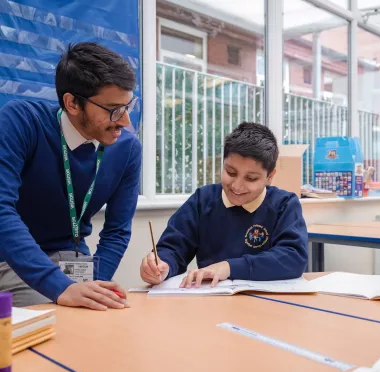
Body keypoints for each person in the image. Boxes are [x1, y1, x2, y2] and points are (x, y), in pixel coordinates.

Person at [0, 42, 142, 309]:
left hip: (73, 258)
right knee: (56, 325)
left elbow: (117, 231)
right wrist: (60, 287)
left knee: (107, 319)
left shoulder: (128, 148)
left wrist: (93, 289)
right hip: (11, 257)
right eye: (113, 109)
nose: (125, 122)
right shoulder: (22, 122)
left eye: (128, 106)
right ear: (73, 103)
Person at [140, 122, 308, 287]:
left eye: (251, 178)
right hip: (214, 303)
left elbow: (293, 257)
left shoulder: (284, 205)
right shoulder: (202, 200)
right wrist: (162, 266)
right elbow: (173, 248)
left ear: (270, 176)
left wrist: (228, 267)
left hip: (268, 305)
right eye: (231, 172)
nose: (236, 186)